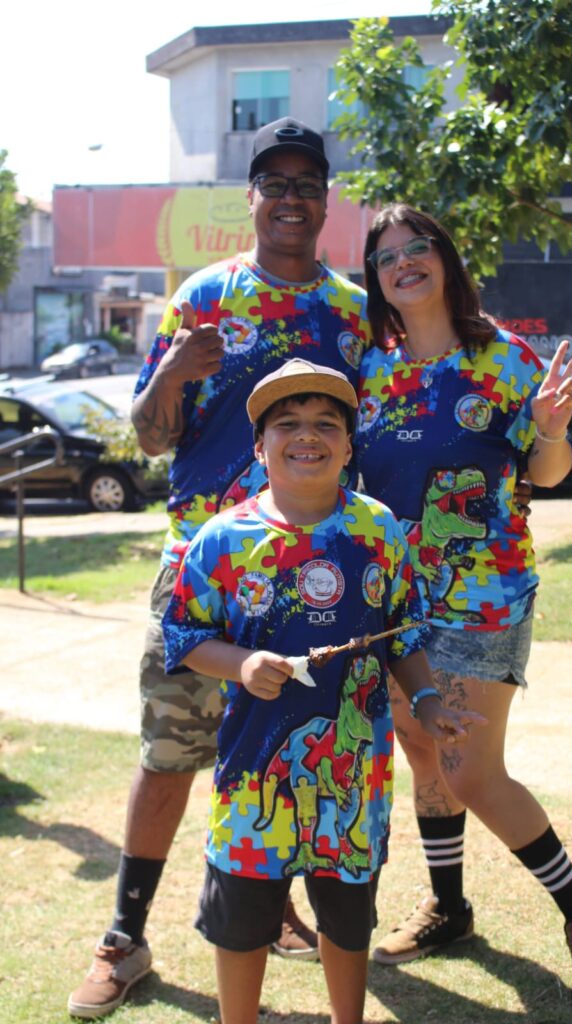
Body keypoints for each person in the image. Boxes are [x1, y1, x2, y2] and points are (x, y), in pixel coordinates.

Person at [67, 119, 371, 1019]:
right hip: (207, 569)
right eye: (272, 182)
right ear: (251, 198)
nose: (289, 197)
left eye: (306, 182)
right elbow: (151, 436)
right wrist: (179, 371)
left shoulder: (353, 313)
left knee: (297, 753)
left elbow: (374, 435)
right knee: (172, 754)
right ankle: (125, 939)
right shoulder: (204, 296)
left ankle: (274, 909)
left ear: (324, 200)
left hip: (315, 576)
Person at [354, 203, 572, 1010]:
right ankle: (450, 905)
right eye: (386, 256)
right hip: (400, 604)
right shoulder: (376, 369)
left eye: (418, 248)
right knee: (417, 743)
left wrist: (549, 429)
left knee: (470, 769)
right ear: (374, 278)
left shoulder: (502, 357)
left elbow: (546, 472)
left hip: (483, 597)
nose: (403, 263)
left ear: (444, 258)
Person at [160, 358, 485, 1024]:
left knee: (348, 916)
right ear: (259, 446)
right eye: (287, 424)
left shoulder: (378, 531)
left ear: (347, 444)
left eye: (324, 424)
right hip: (252, 782)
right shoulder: (220, 541)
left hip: (353, 782)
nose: (306, 435)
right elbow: (185, 636)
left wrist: (426, 702)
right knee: (243, 921)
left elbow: (403, 634)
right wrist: (244, 663)